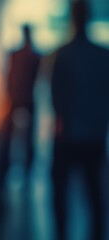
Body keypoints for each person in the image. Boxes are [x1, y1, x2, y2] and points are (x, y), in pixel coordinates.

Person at [50, 1, 109, 239]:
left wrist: (61, 124)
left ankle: (61, 234)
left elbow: (56, 96)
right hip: (94, 135)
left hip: (69, 136)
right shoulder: (103, 55)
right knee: (95, 194)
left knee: (61, 192)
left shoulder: (63, 55)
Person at [6, 24, 41, 174]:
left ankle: (13, 164)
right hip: (25, 97)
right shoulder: (34, 56)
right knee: (26, 135)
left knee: (14, 134)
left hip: (19, 97)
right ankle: (25, 164)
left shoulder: (18, 55)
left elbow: (10, 76)